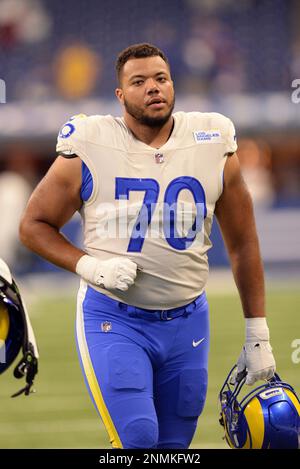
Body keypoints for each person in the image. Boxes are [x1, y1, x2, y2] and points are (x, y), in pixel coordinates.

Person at [19, 43, 276, 449]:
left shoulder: (212, 140)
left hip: (189, 319)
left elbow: (243, 242)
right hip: (114, 318)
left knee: (175, 447)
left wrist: (257, 333)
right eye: (139, 82)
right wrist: (91, 267)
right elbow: (33, 226)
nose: (153, 88)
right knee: (138, 438)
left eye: (161, 78)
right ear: (120, 96)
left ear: (173, 84)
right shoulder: (91, 143)